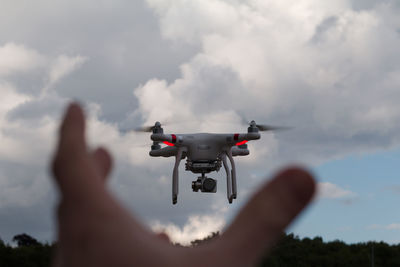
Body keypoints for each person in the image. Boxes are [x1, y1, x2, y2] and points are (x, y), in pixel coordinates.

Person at [51, 103, 316, 267]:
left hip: (201, 152)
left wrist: (160, 136)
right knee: (224, 157)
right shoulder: (211, 147)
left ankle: (201, 192)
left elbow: (168, 143)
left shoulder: (203, 147)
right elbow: (243, 140)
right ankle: (227, 192)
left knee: (225, 156)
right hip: (204, 152)